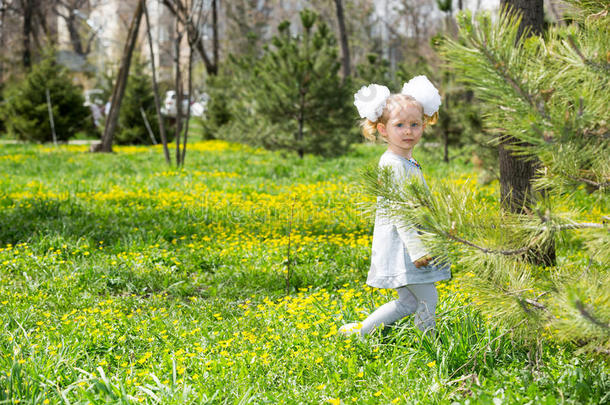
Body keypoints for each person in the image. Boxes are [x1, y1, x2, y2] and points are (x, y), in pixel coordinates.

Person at [340, 76, 451, 338]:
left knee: (409, 302)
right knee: (427, 300)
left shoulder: (406, 161)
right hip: (406, 247)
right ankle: (431, 347)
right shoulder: (393, 163)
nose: (408, 131)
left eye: (415, 124)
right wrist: (418, 248)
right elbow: (400, 211)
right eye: (399, 125)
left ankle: (361, 333)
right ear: (383, 130)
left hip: (411, 245)